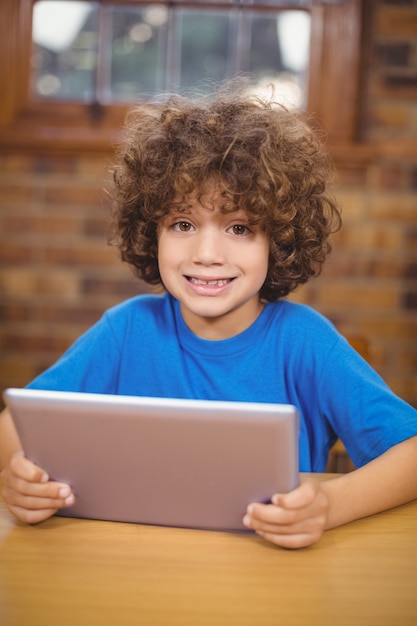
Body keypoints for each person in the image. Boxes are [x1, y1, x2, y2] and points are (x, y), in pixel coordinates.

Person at [1, 83, 417, 549]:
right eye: (183, 224)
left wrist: (330, 505)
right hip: (135, 566)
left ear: (278, 242)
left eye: (239, 228)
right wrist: (22, 476)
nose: (207, 254)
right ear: (150, 230)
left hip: (271, 575)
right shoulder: (126, 329)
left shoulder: (305, 341)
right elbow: (15, 424)